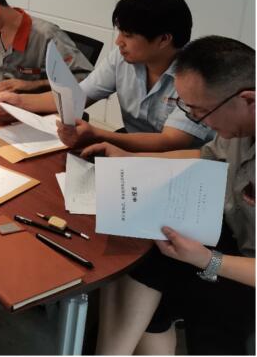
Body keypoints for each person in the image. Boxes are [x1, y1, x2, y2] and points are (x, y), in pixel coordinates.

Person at [90, 36, 254, 355]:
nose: (198, 121)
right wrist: (129, 158)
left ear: (248, 99)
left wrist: (208, 260)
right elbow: (206, 155)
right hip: (228, 235)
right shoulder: (239, 126)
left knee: (206, 310)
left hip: (245, 272)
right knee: (139, 249)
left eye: (201, 111)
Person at [0, 0, 214, 152]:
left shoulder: (196, 77)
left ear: (164, 39)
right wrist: (17, 101)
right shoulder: (123, 58)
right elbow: (76, 97)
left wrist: (97, 134)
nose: (118, 42)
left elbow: (171, 142)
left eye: (128, 35)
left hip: (178, 161)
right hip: (129, 147)